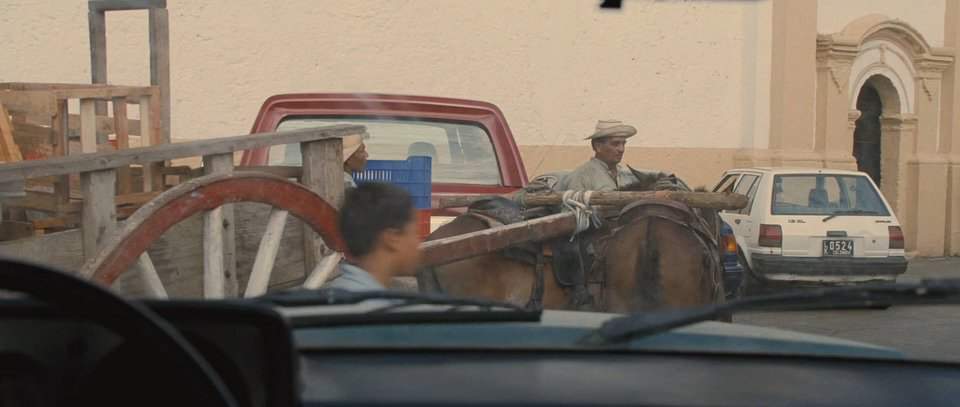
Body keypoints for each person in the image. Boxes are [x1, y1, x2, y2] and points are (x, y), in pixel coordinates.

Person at [324, 182, 422, 291]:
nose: (418, 242)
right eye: (414, 232)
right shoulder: (374, 300)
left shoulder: (337, 290)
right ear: (393, 238)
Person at [557, 119, 637, 192]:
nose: (621, 149)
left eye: (623, 144)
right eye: (615, 144)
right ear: (598, 146)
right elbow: (572, 203)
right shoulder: (581, 177)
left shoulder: (627, 176)